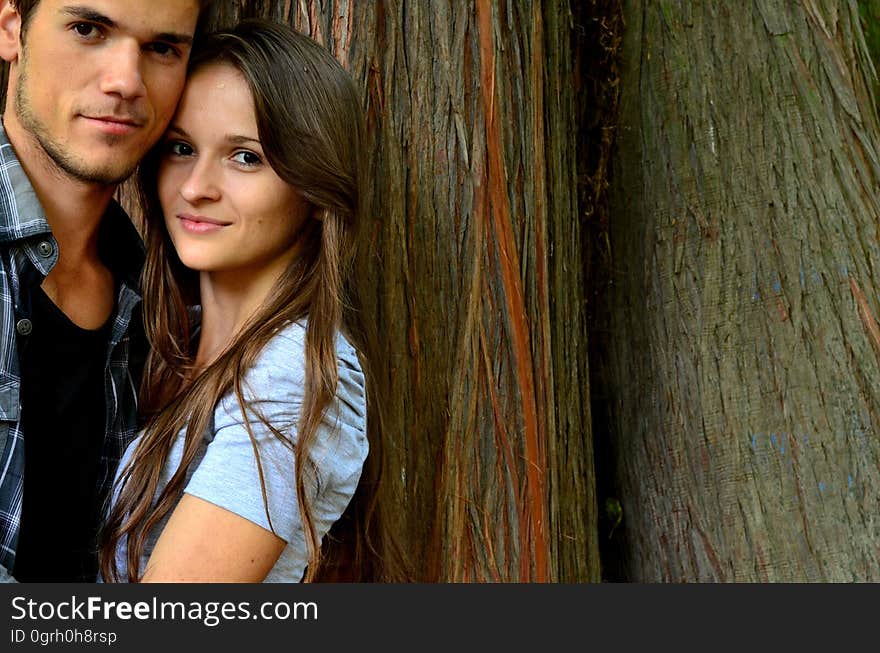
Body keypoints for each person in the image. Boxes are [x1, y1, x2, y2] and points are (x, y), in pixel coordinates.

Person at [99, 19, 399, 583]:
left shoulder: (291, 374)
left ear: (314, 190)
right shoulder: (165, 342)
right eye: (182, 148)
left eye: (245, 158)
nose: (195, 186)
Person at [0, 0, 210, 582]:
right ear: (11, 27)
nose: (125, 82)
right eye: (88, 29)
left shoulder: (161, 303)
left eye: (162, 48)